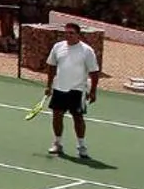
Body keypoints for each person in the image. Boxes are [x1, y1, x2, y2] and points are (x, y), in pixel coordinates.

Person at [41, 21, 100, 159]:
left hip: (77, 90)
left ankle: (81, 146)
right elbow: (51, 66)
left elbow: (94, 72)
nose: (68, 35)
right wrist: (49, 86)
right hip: (59, 88)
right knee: (57, 116)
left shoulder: (87, 51)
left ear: (78, 35)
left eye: (71, 33)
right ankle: (57, 143)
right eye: (66, 33)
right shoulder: (58, 47)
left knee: (78, 118)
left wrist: (93, 91)